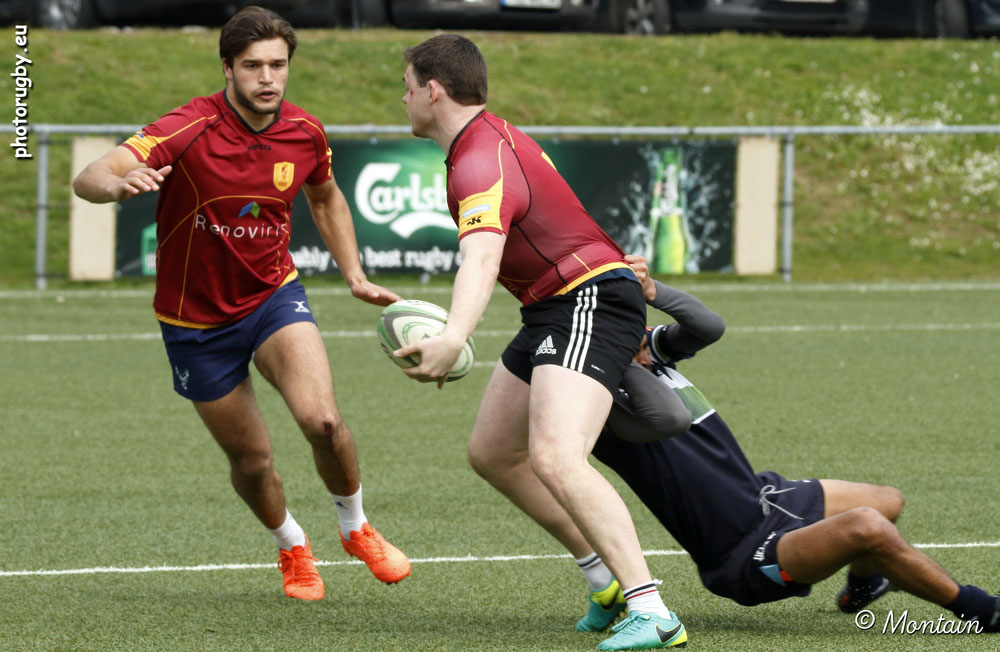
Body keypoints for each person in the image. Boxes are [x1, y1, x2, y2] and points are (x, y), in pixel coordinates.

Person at [71, 6, 410, 600]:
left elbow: (326, 197)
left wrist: (353, 274)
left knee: (324, 422)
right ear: (227, 67)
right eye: (253, 65)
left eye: (278, 64)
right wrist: (117, 185)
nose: (267, 78)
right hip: (194, 321)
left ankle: (355, 527)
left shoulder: (305, 132)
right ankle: (292, 546)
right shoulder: (188, 126)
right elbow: (92, 174)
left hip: (272, 296)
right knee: (253, 461)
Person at [395, 34, 686, 651]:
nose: (404, 98)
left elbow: (481, 257)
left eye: (407, 86)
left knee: (557, 456)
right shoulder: (490, 139)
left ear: (433, 90)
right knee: (493, 452)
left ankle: (653, 609)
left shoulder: (479, 160)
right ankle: (605, 581)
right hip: (554, 305)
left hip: (586, 299)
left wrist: (453, 337)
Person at [587, 256, 999, 635]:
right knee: (867, 526)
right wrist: (621, 352)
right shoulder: (593, 396)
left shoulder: (648, 353)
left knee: (887, 501)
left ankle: (864, 586)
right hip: (740, 554)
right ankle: (981, 610)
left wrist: (653, 291)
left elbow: (708, 327)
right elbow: (668, 416)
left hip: (766, 497)